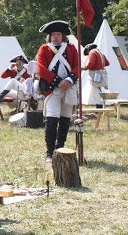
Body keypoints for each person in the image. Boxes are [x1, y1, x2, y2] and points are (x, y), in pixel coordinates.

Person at [36, 20, 80, 163]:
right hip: (52, 89)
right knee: (52, 118)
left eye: (58, 34)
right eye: (54, 34)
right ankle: (50, 152)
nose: (56, 37)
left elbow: (78, 66)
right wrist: (58, 81)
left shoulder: (72, 48)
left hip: (69, 88)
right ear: (50, 36)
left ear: (63, 36)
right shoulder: (44, 49)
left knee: (65, 118)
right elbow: (41, 69)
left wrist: (69, 80)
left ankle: (60, 148)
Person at [83, 43, 110, 108]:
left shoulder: (92, 52)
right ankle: (101, 107)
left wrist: (85, 68)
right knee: (98, 90)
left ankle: (99, 109)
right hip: (102, 74)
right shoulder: (100, 53)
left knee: (95, 92)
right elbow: (107, 63)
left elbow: (91, 64)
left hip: (96, 74)